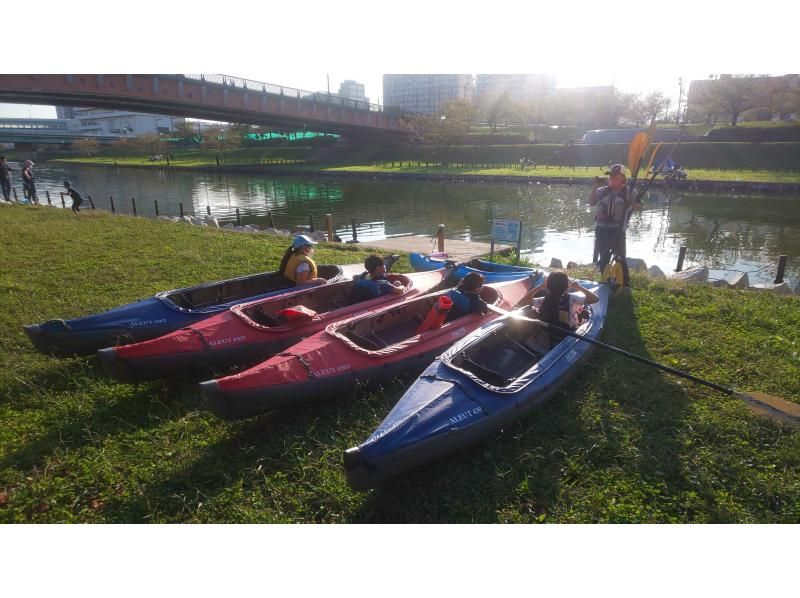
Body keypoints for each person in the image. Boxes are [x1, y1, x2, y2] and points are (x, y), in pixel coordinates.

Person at [588, 164, 641, 288]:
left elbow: (640, 207)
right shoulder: (602, 191)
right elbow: (591, 202)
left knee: (620, 257)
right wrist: (594, 187)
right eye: (610, 176)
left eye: (615, 177)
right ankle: (605, 282)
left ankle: (624, 284)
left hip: (617, 230)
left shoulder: (630, 191)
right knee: (604, 256)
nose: (611, 179)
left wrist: (631, 202)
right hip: (601, 229)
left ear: (623, 178)